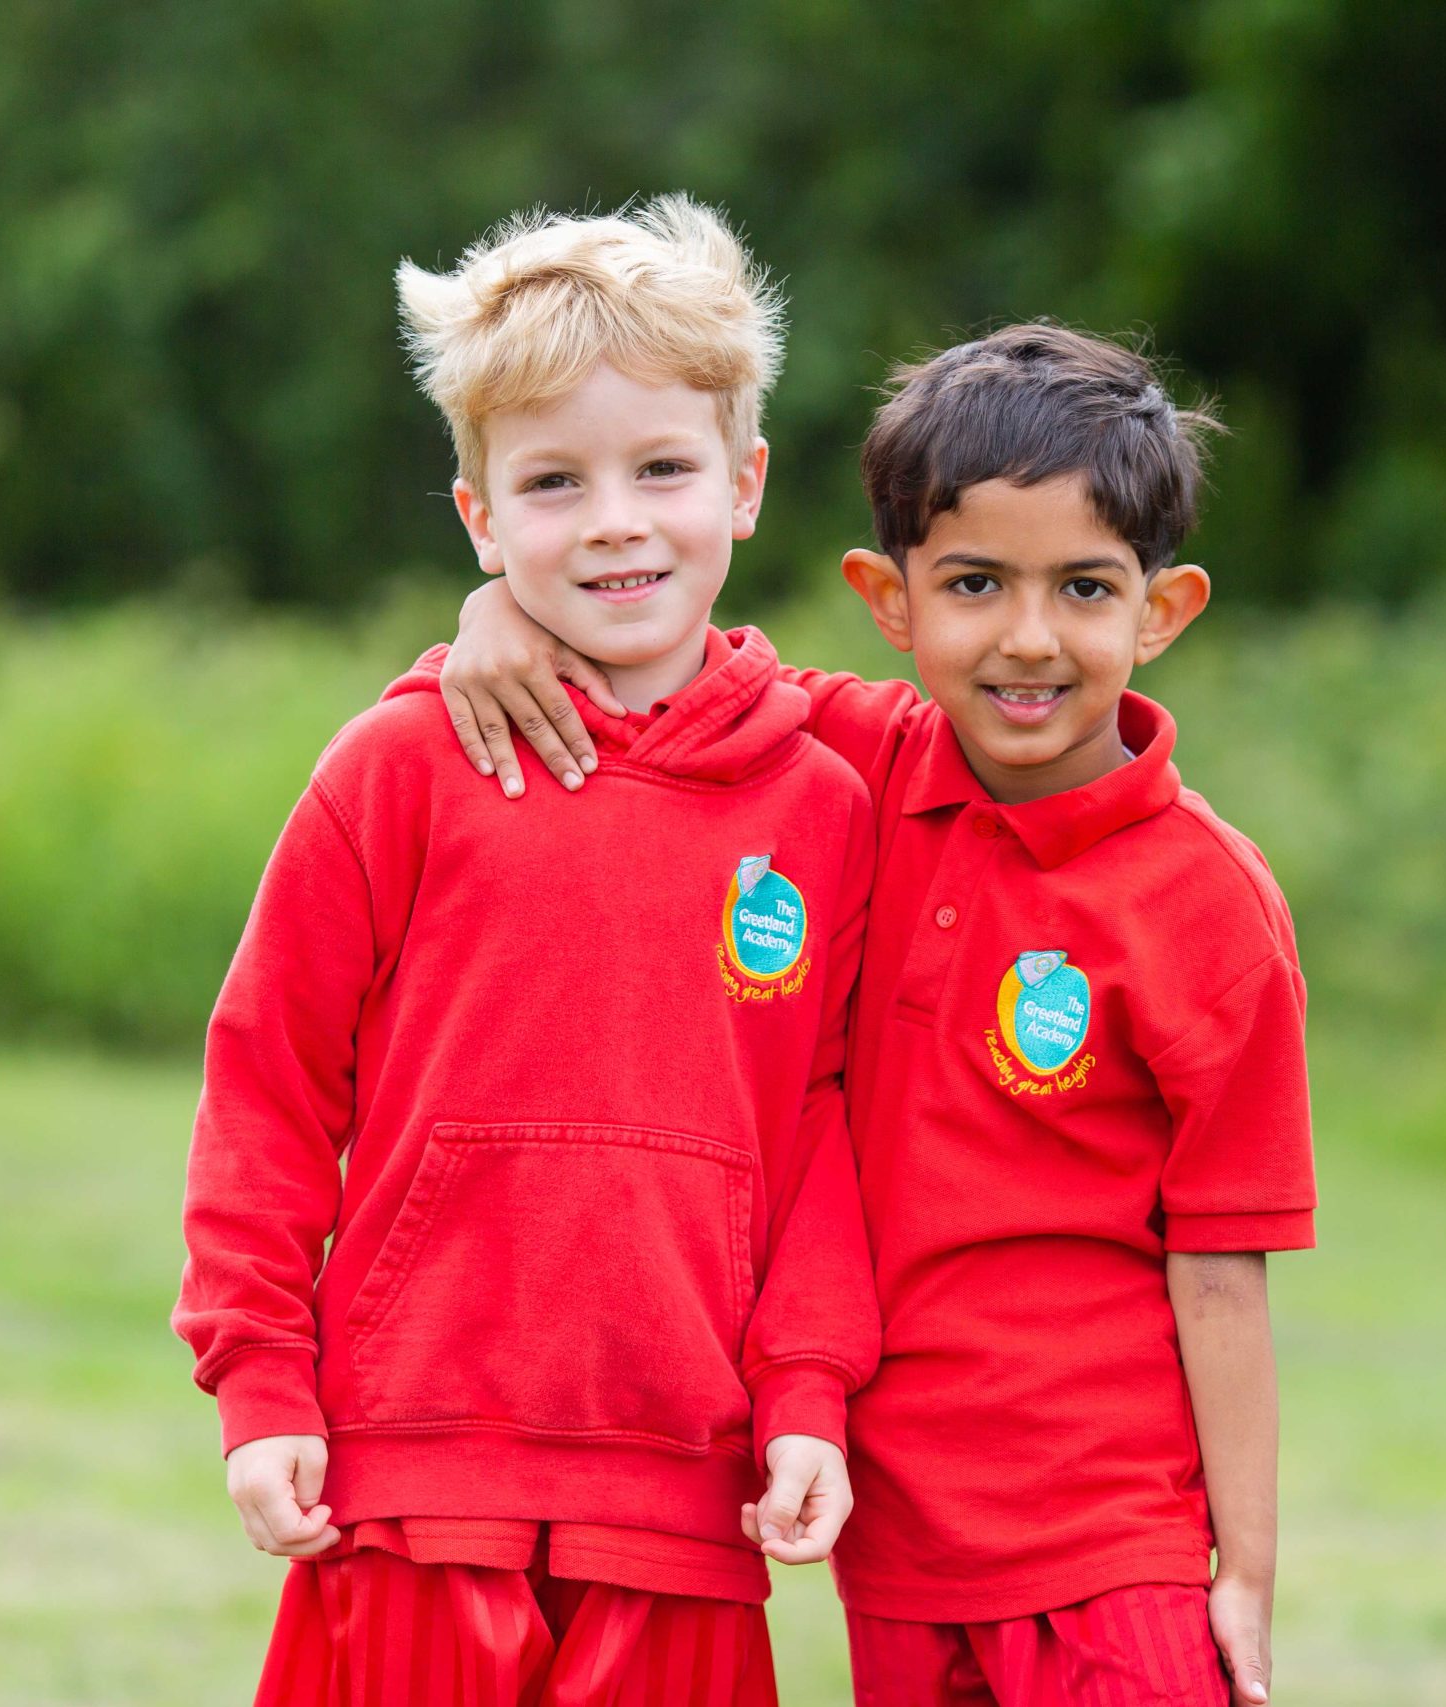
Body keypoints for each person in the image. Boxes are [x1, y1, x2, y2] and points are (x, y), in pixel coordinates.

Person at [413, 323, 1318, 1705]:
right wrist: (494, 617)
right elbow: (644, 632)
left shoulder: (1210, 903)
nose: (1029, 637)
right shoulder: (847, 762)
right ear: (890, 602)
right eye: (974, 583)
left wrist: (1241, 1569)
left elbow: (1223, 1267)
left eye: (1084, 587)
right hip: (888, 1541)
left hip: (1114, 1537)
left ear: (1163, 609)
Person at [174, 196, 880, 1707]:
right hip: (416, 1472)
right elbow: (269, 1085)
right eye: (555, 482)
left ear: (746, 486)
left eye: (663, 469)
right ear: (482, 519)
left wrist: (809, 1395)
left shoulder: (825, 804)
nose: (616, 517)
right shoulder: (399, 767)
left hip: (686, 1494)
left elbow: (824, 1135)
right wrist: (258, 1381)